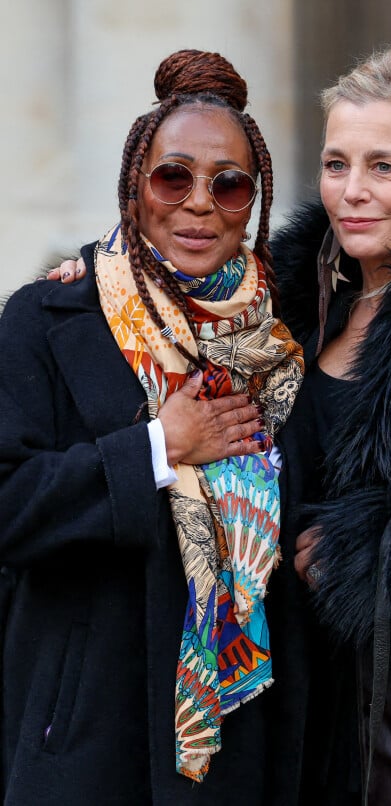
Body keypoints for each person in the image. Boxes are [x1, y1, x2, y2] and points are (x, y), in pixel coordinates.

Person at [48, 47, 391, 805]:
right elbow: (175, 283)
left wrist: (379, 552)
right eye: (336, 164)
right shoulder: (291, 300)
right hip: (302, 718)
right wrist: (95, 277)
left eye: (385, 167)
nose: (353, 192)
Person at [0, 48, 304, 805]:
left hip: (244, 741)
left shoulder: (284, 342)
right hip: (87, 741)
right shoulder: (46, 317)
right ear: (135, 190)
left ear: (252, 201)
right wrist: (157, 450)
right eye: (174, 176)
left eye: (228, 184)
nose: (199, 203)